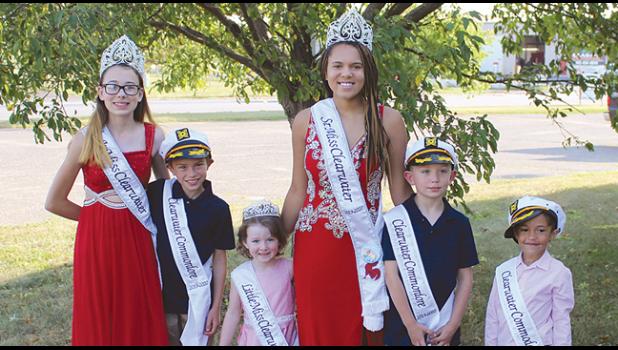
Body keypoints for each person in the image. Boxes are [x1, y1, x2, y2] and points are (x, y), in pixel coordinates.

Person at [280, 9, 412, 346]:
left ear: (368, 70)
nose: (346, 74)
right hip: (315, 246)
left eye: (355, 66)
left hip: (364, 244)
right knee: (318, 327)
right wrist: (275, 240)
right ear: (325, 71)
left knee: (365, 327)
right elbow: (298, 189)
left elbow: (399, 191)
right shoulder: (307, 120)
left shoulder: (389, 121)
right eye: (337, 65)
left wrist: (433, 229)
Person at [44, 35, 169, 345]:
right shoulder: (87, 138)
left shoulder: (154, 137)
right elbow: (54, 201)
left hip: (137, 237)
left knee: (137, 308)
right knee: (99, 314)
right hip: (95, 240)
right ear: (100, 92)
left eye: (129, 87)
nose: (120, 94)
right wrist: (93, 217)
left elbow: (169, 194)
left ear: (140, 94)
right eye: (112, 86)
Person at [382, 137, 479, 346]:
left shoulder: (460, 224)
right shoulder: (395, 221)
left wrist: (453, 324)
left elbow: (465, 278)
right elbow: (390, 275)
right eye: (425, 171)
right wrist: (410, 324)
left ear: (452, 176)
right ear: (409, 176)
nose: (434, 179)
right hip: (402, 328)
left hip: (444, 328)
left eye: (442, 171)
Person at [147, 127, 235, 345]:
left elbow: (220, 258)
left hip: (198, 302)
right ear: (170, 168)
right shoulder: (157, 194)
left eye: (198, 165)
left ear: (209, 164)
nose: (192, 174)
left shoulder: (218, 208)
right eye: (182, 167)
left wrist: (215, 307)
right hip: (162, 300)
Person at [484, 196, 574, 346]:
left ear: (553, 233)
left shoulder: (559, 273)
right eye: (524, 230)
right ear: (516, 234)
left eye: (541, 230)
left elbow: (561, 321)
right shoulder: (503, 271)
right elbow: (493, 316)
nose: (532, 237)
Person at [219, 201, 299, 346]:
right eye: (255, 241)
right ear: (245, 242)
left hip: (285, 337)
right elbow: (233, 313)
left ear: (279, 240)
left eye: (270, 239)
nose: (263, 247)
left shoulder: (290, 267)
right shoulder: (241, 275)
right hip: (253, 339)